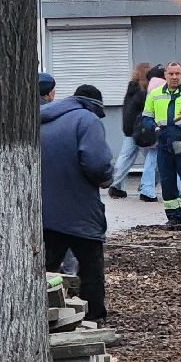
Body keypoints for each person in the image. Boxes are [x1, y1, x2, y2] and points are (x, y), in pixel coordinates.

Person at [40, 82, 113, 324]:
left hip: (45, 211)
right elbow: (97, 164)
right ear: (95, 106)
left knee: (45, 267)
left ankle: (41, 316)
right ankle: (93, 318)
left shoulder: (44, 119)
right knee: (90, 266)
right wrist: (106, 178)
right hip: (80, 210)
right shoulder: (87, 120)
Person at [142, 61, 181, 227]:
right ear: (165, 75)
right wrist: (155, 129)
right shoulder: (155, 94)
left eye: (177, 73)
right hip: (164, 142)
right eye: (171, 74)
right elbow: (146, 117)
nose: (174, 77)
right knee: (167, 181)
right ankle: (173, 217)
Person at [109, 62, 159, 202]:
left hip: (129, 129)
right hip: (142, 130)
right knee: (153, 158)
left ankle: (115, 184)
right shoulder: (145, 92)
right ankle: (146, 186)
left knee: (125, 158)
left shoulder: (131, 88)